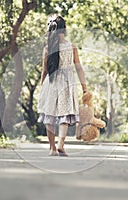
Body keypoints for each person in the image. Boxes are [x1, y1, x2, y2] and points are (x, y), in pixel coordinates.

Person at [37, 14, 87, 156]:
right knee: (64, 114)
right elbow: (79, 68)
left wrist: (42, 89)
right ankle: (61, 144)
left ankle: (52, 148)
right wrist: (84, 88)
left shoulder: (47, 49)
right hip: (67, 83)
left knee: (50, 115)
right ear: (64, 30)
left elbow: (44, 71)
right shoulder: (72, 47)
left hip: (51, 83)